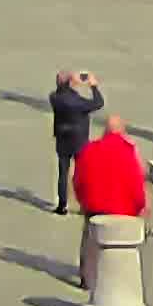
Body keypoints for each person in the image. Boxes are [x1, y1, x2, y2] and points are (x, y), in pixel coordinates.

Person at [73, 113, 148, 235]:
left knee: (89, 232)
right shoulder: (130, 151)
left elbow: (78, 182)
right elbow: (138, 185)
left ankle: (88, 251)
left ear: (104, 132)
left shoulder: (88, 149)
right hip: (125, 213)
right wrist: (139, 208)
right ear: (123, 132)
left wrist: (84, 204)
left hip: (94, 211)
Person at [48, 70, 102, 211]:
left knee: (63, 173)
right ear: (70, 83)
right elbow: (98, 103)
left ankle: (62, 205)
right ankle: (85, 204)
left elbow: (63, 90)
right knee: (82, 173)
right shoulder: (77, 102)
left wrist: (71, 83)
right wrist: (93, 86)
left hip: (62, 139)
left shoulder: (54, 97)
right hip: (79, 140)